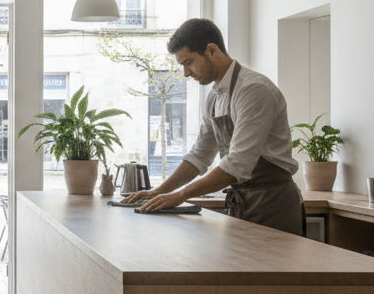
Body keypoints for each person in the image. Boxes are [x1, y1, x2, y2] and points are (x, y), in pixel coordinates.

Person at [120, 18, 304, 235]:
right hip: (242, 204)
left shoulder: (253, 90)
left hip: (273, 206)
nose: (186, 73)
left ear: (212, 50)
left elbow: (237, 164)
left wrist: (180, 196)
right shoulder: (215, 97)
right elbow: (199, 156)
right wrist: (158, 191)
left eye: (188, 62)